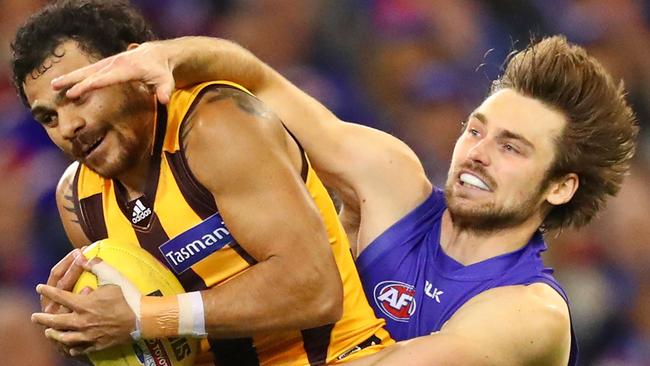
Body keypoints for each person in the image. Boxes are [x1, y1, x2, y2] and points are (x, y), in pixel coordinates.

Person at [53, 34, 640, 365]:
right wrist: (169, 57)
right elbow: (259, 84)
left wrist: (152, 316)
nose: (477, 153)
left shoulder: (529, 313)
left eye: (512, 147)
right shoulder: (391, 182)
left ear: (561, 187)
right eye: (476, 128)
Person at [11, 1, 394, 365]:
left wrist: (143, 318)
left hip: (340, 356)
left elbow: (314, 291)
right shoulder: (76, 199)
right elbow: (163, 346)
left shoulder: (215, 126)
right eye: (48, 117)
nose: (68, 127)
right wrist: (85, 329)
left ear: (136, 70)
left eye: (79, 96)